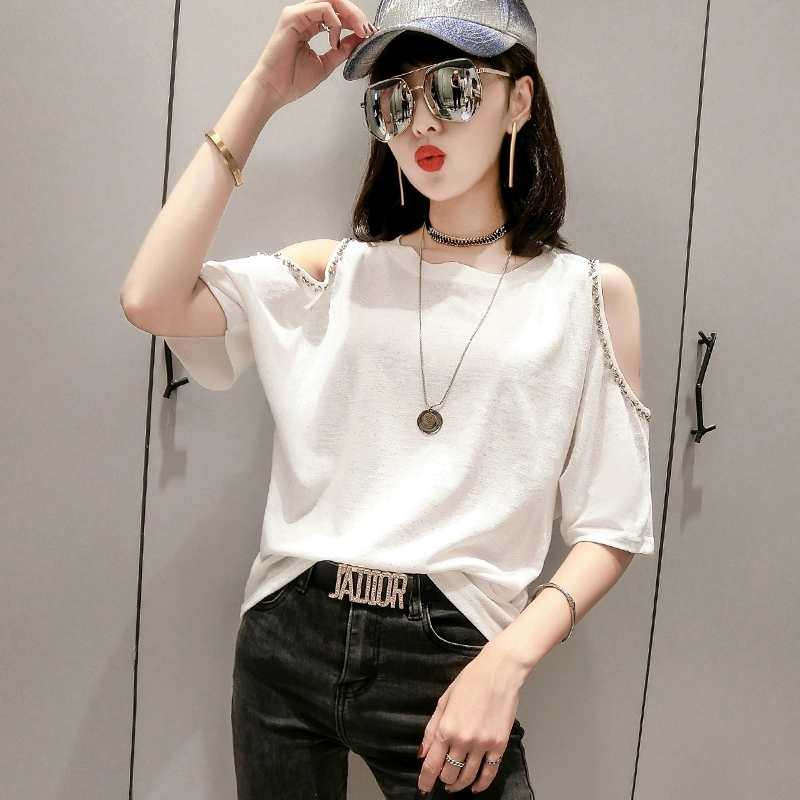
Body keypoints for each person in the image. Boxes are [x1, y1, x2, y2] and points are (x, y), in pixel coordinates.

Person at [120, 1, 654, 797]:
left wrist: (507, 662)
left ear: (519, 101)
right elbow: (149, 298)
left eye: (454, 88)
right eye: (394, 100)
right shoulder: (331, 275)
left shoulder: (585, 297)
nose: (420, 121)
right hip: (287, 633)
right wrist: (262, 92)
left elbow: (610, 527)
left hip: (453, 654)